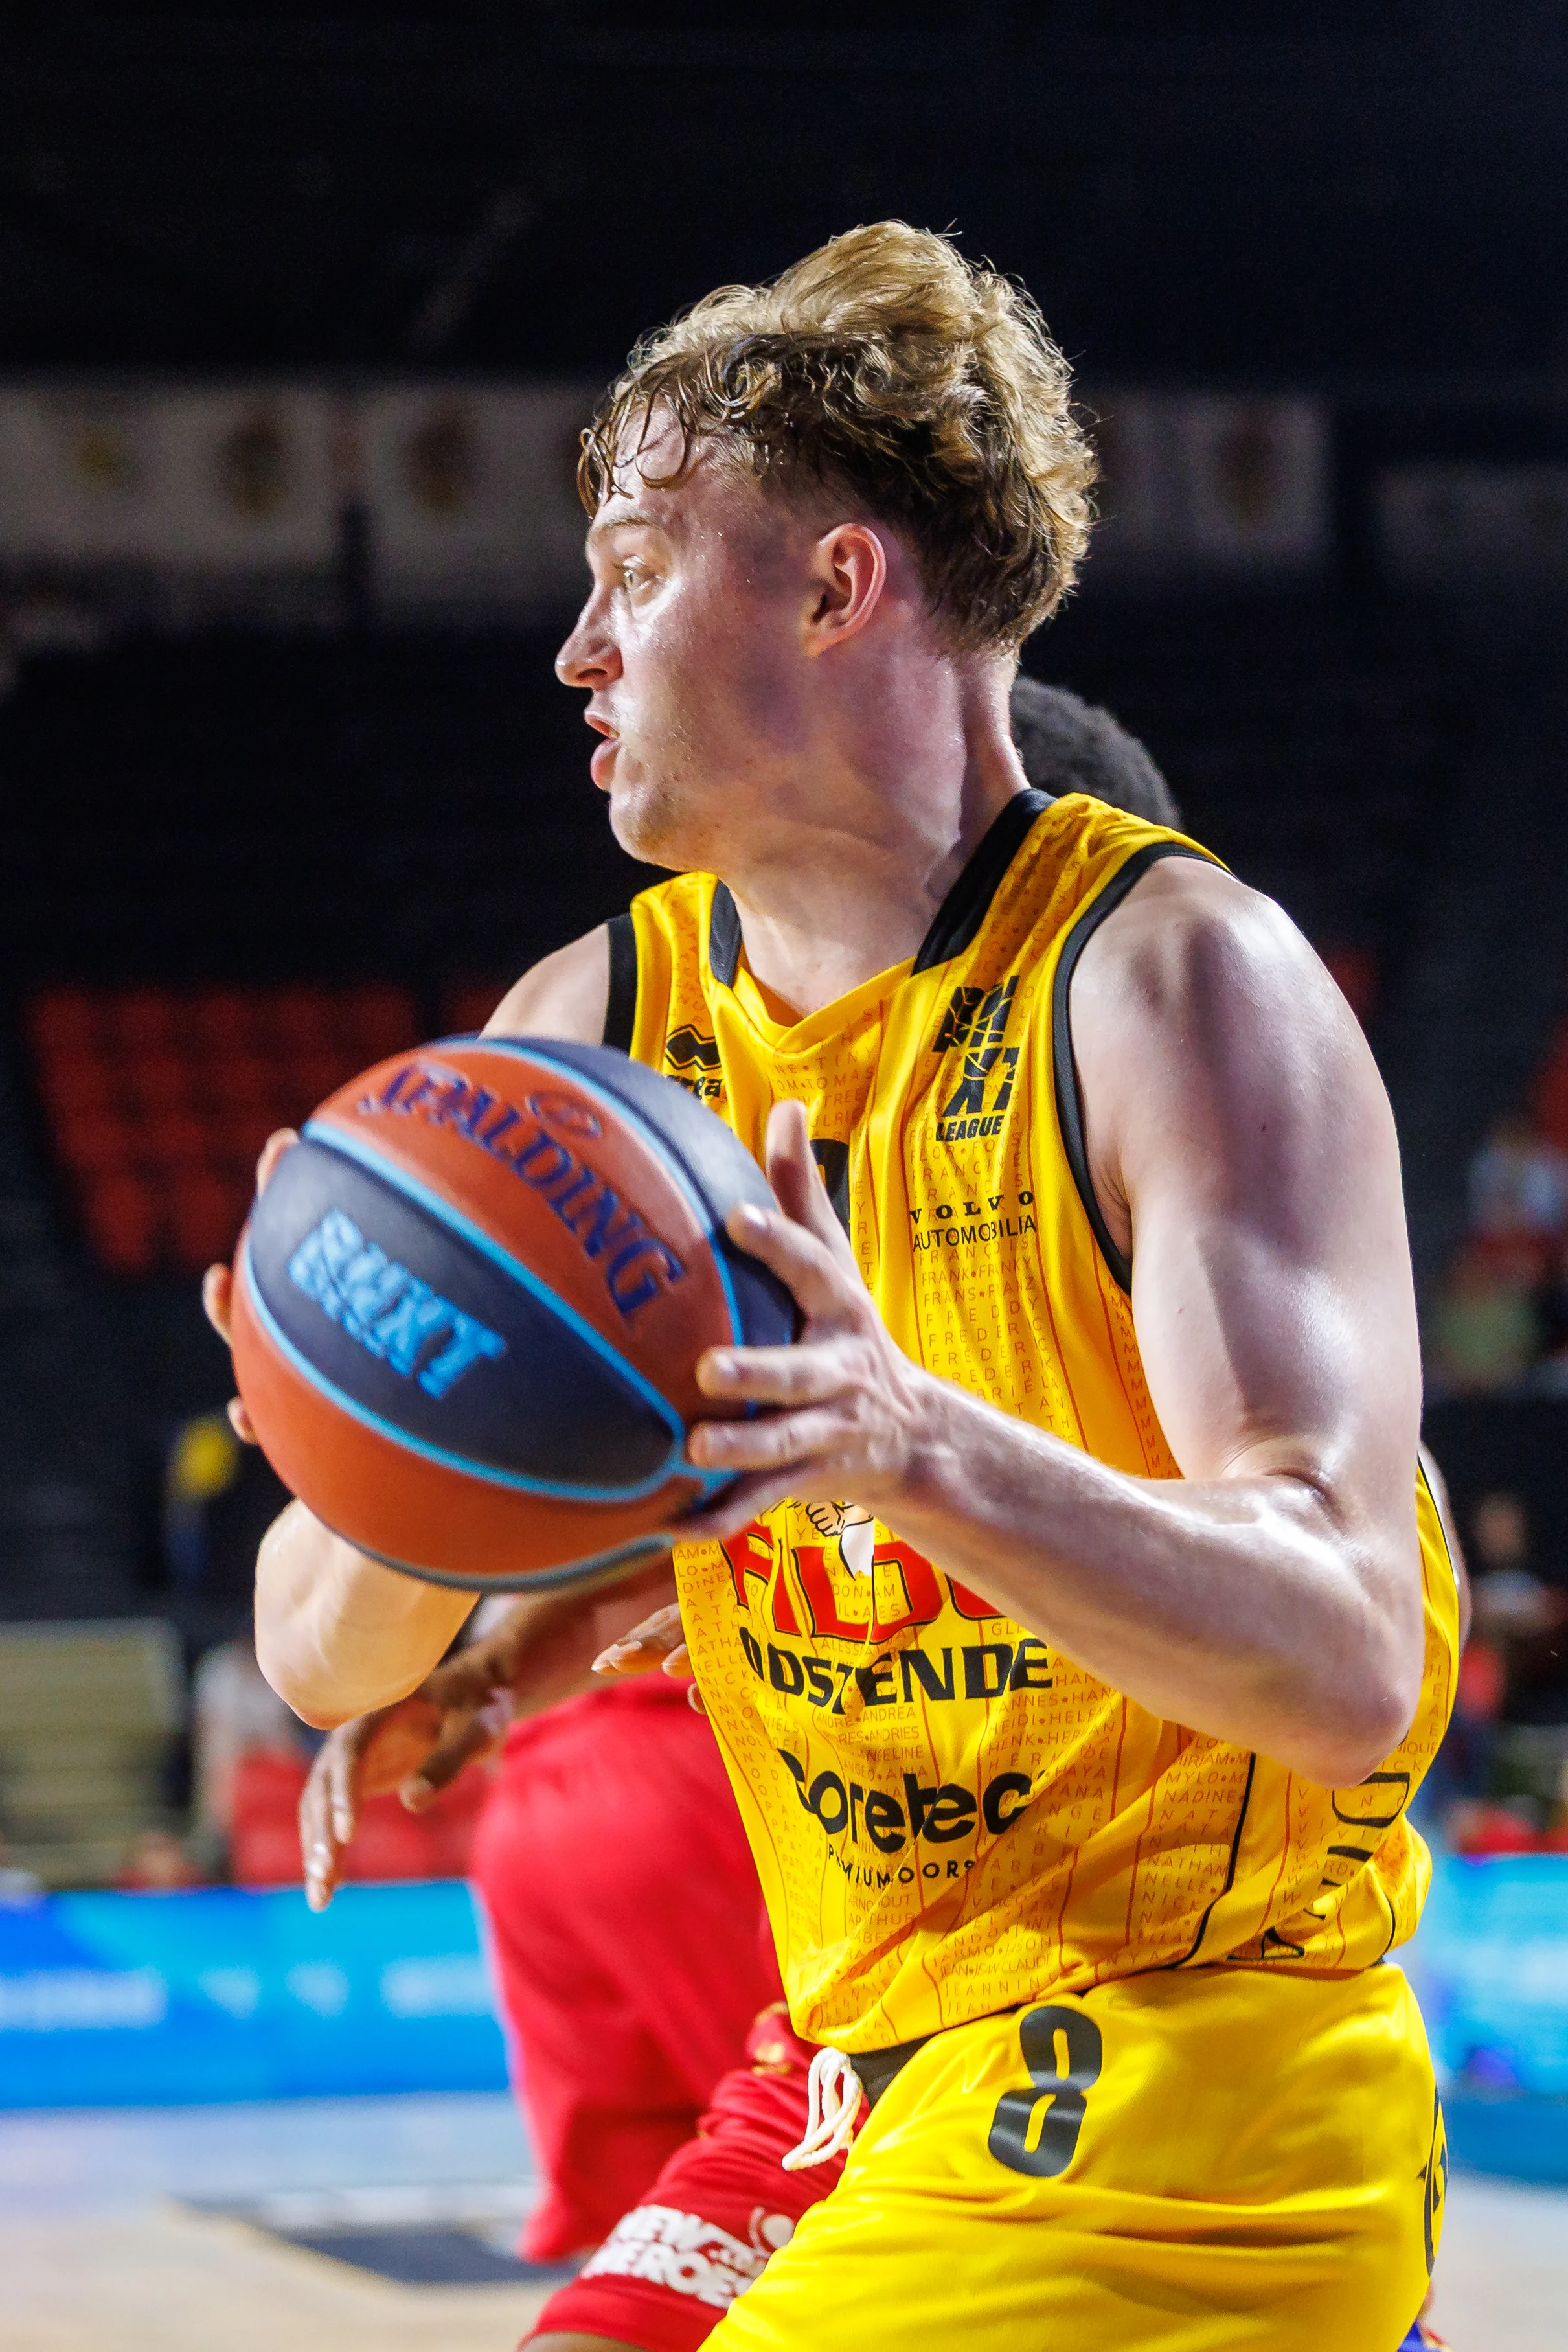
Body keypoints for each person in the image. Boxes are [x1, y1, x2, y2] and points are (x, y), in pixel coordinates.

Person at [210, 223, 1459, 2351]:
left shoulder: (1172, 983)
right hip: (846, 2068)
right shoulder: (589, 1033)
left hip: (1186, 2068)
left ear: (835, 584)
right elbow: (314, 1655)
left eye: (633, 564)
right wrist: (392, 1488)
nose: (576, 650)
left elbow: (1348, 1649)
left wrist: (907, 1442)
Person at [296, 683, 1194, 2346]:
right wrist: (463, 1636)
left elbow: (1328, 1632)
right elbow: (668, 1527)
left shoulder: (1133, 1233)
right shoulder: (726, 1201)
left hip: (1111, 2029)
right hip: (830, 2025)